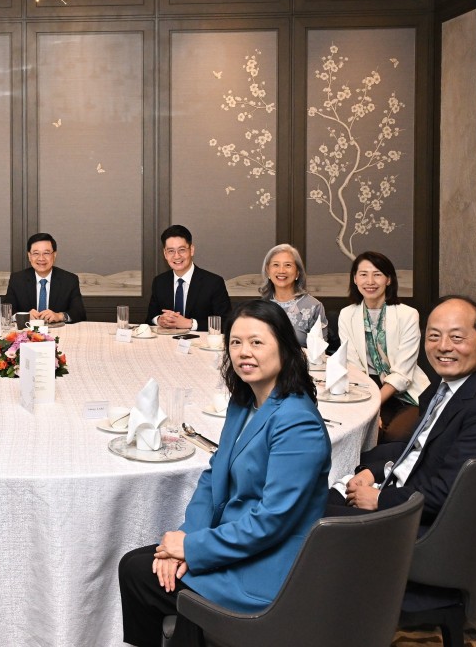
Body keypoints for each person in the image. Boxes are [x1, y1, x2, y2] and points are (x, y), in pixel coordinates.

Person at [118, 300, 331, 646]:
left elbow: (272, 522)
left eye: (257, 342)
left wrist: (194, 548)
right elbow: (213, 478)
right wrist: (186, 539)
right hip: (235, 542)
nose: (244, 352)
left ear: (286, 348)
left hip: (268, 564)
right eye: (235, 342)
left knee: (139, 573)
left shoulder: (297, 422)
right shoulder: (244, 400)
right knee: (139, 563)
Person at [327, 296, 476, 525]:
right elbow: (420, 451)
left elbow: (450, 495)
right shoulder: (445, 387)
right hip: (403, 492)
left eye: (456, 337)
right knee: (312, 496)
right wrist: (375, 472)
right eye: (434, 336)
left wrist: (380, 499)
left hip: (412, 528)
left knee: (300, 517)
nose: (443, 346)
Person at [338, 251, 429, 443]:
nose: (370, 281)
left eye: (377, 274)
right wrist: (368, 408)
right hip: (366, 388)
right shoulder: (347, 315)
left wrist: (372, 407)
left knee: (396, 436)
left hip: (405, 391)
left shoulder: (408, 315)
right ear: (355, 279)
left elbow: (403, 373)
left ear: (388, 280)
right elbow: (354, 366)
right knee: (361, 433)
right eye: (363, 274)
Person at [146, 225, 231, 331]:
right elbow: (150, 318)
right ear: (165, 254)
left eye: (181, 250)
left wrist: (190, 323)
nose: (176, 256)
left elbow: (226, 323)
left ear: (191, 250)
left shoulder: (213, 283)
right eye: (171, 251)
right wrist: (159, 320)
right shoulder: (159, 282)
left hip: (198, 344)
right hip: (167, 343)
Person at [4, 232, 86, 323]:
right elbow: (7, 311)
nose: (41, 258)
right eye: (36, 253)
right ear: (29, 256)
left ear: (54, 255)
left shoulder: (69, 280)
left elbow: (79, 313)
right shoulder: (17, 279)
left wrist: (59, 316)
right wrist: (23, 316)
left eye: (46, 253)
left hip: (59, 332)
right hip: (28, 333)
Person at [259, 243, 326, 347]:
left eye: (288, 265)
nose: (281, 271)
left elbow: (320, 353)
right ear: (268, 271)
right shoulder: (260, 306)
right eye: (276, 265)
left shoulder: (314, 307)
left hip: (302, 363)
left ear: (297, 272)